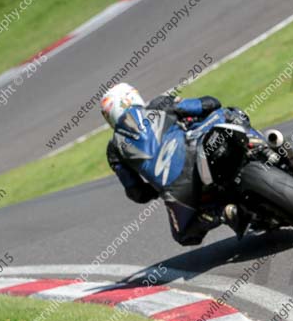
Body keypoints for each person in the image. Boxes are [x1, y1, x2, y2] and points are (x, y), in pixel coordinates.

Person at [102, 82, 250, 246]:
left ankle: (221, 213)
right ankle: (263, 147)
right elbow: (208, 103)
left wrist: (156, 189)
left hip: (177, 192)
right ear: (132, 97)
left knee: (184, 235)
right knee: (229, 113)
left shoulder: (114, 150)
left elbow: (136, 192)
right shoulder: (158, 105)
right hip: (196, 153)